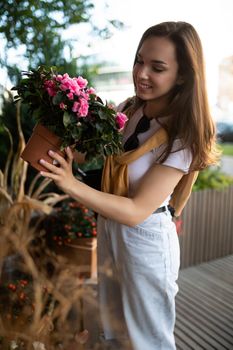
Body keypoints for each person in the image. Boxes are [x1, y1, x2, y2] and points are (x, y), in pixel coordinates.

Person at [39, 21, 219, 350]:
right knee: (111, 333)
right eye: (139, 61)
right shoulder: (129, 109)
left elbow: (136, 210)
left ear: (182, 75)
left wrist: (70, 185)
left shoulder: (182, 137)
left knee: (147, 340)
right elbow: (90, 154)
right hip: (111, 230)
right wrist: (63, 143)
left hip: (146, 240)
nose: (142, 73)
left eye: (157, 67)